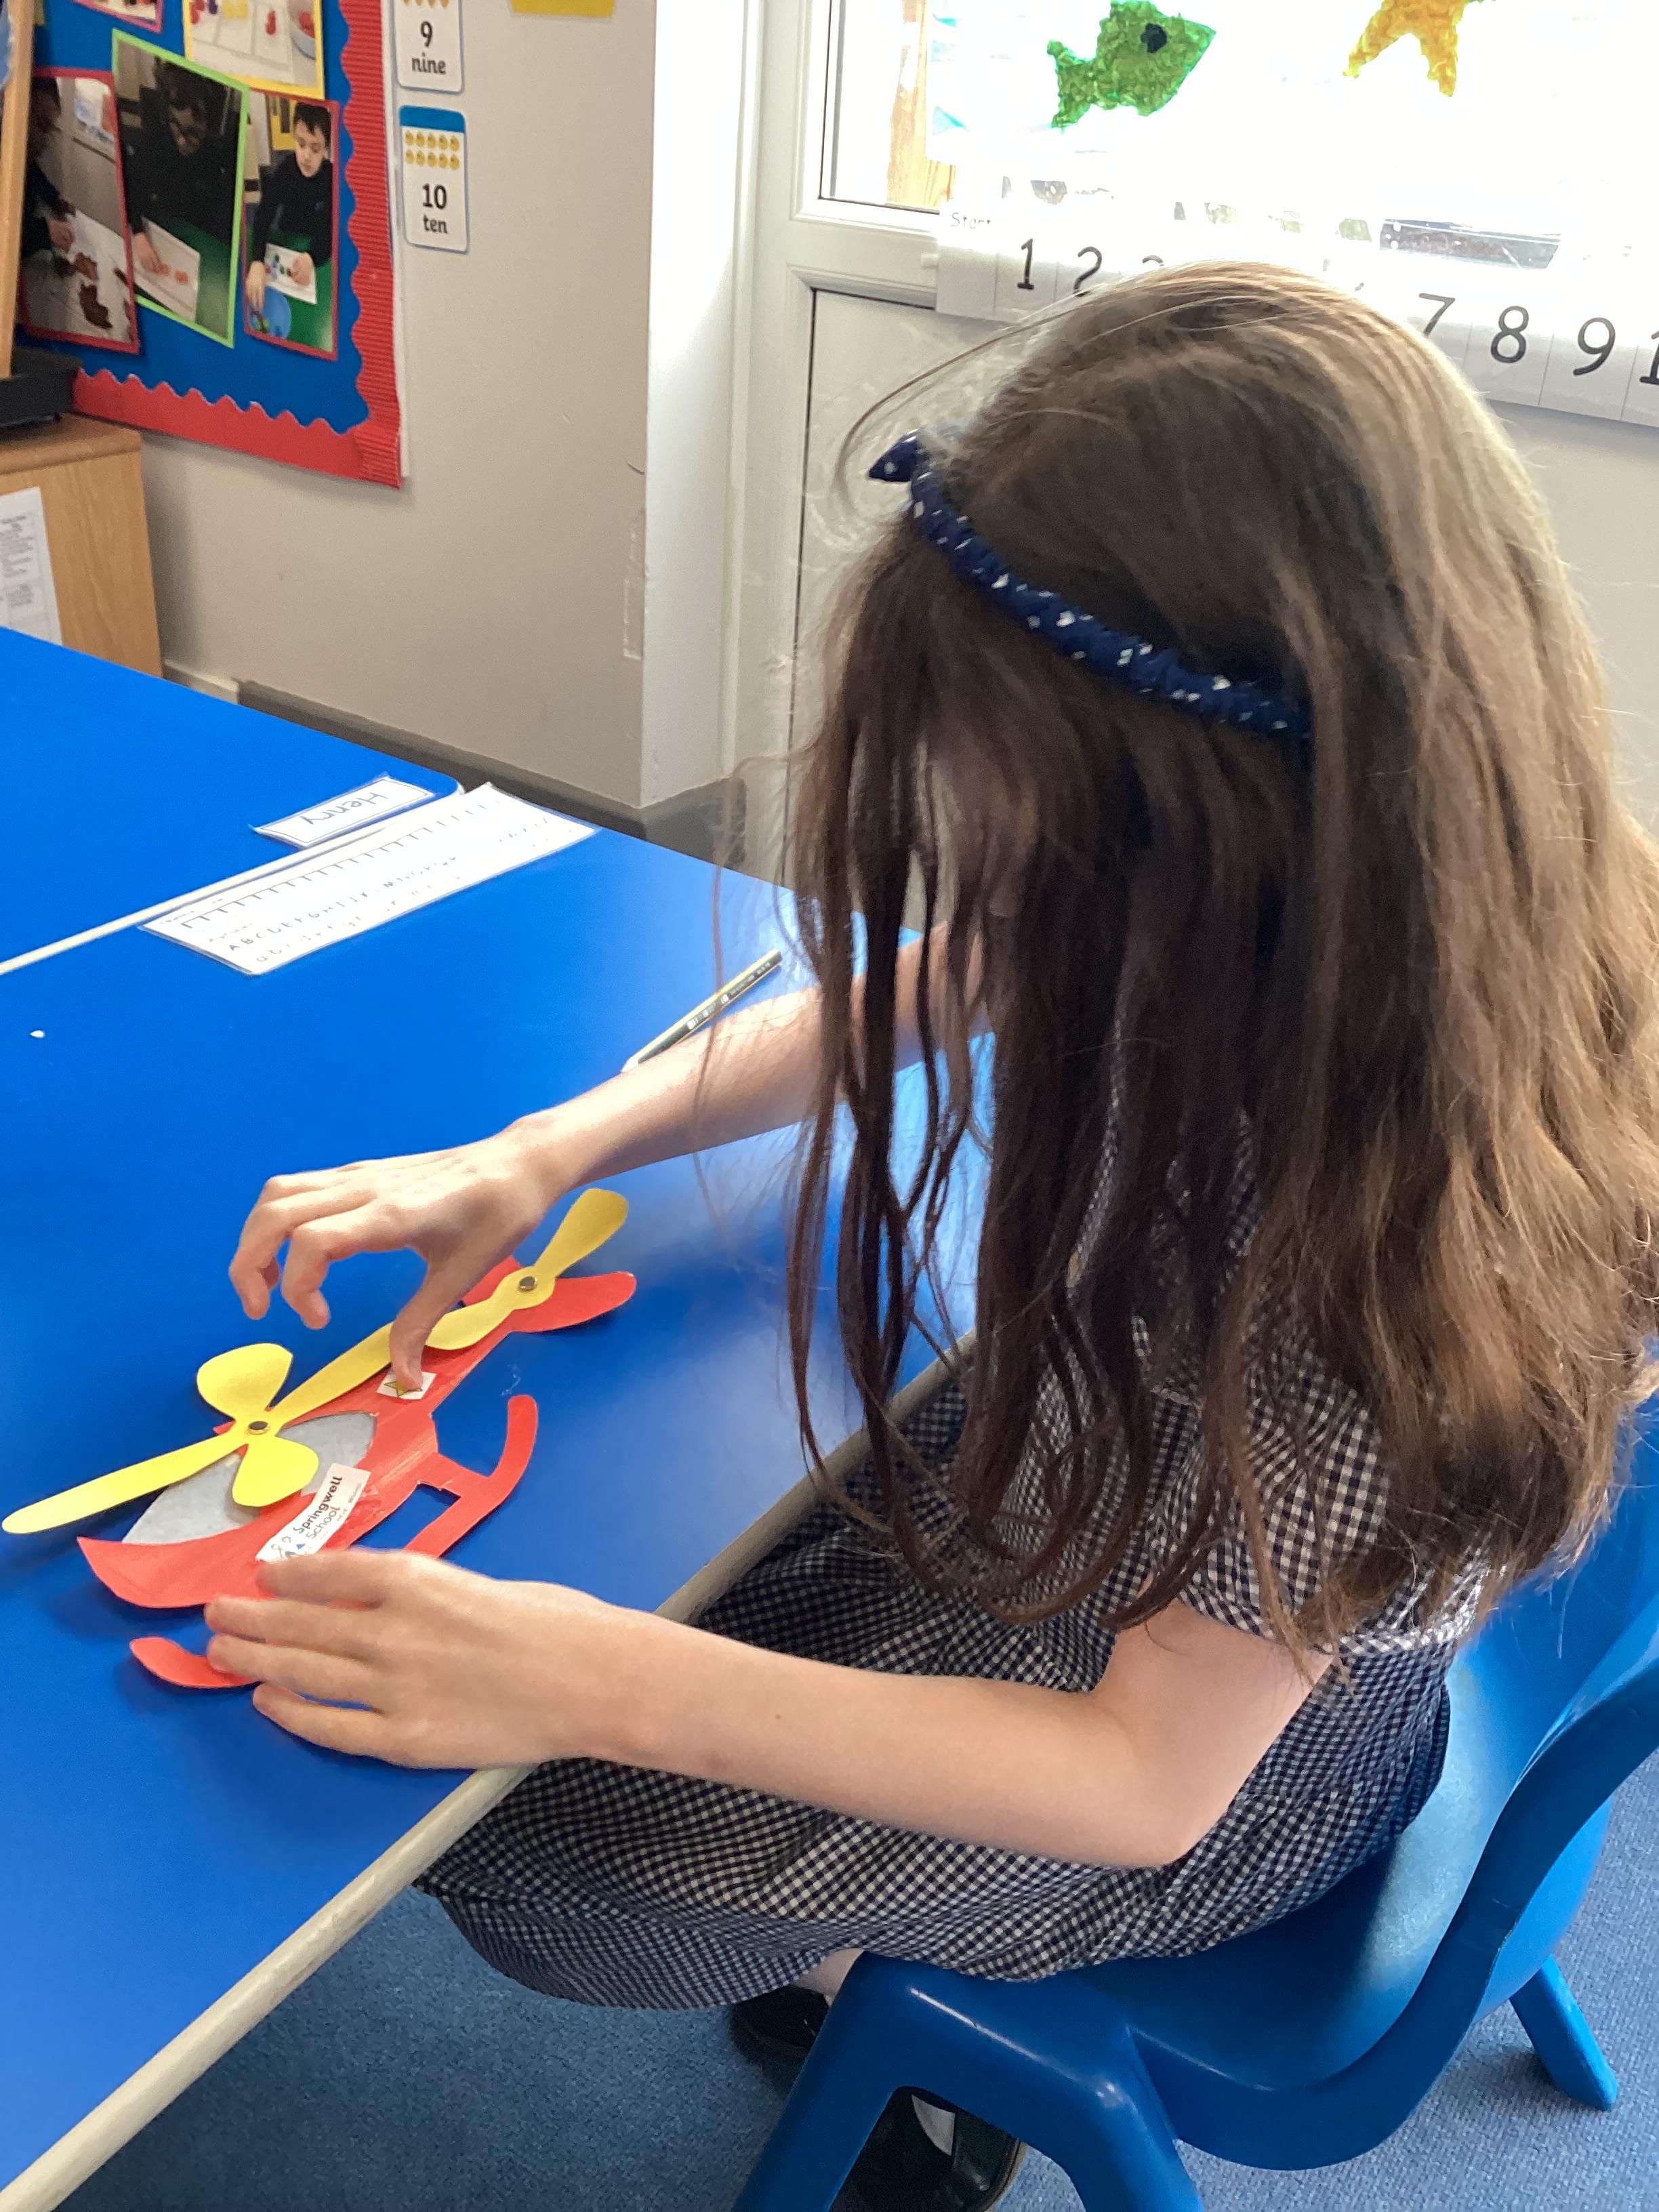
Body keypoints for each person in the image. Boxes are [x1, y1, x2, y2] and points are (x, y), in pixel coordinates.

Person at [211, 264, 1659, 2210]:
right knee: (663, 1565)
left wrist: (588, 1681)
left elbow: (1144, 1784)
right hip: (1168, 1548)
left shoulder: (1352, 1273)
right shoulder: (1428, 878)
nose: (991, 908)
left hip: (1228, 1768)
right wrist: (556, 1143)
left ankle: (897, 2012)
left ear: (1212, 842)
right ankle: (844, 1950)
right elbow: (960, 967)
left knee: (532, 1839)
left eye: (1033, 853)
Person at [123, 62, 237, 274]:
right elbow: (131, 186)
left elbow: (223, 219)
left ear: (210, 127)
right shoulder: (156, 139)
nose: (182, 142)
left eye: (193, 133)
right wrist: (138, 233)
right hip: (159, 232)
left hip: (200, 238)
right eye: (176, 125)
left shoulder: (219, 155)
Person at [244, 102, 333, 318]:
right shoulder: (286, 170)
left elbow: (331, 227)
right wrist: (257, 260)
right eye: (301, 144)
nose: (306, 156)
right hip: (288, 234)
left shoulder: (331, 178)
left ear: (326, 149)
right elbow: (263, 214)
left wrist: (312, 257)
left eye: (315, 149)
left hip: (315, 244)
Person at [23, 79, 75, 264]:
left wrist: (54, 198)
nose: (45, 141)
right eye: (41, 125)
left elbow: (31, 173)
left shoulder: (23, 156)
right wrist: (43, 233)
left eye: (49, 130)